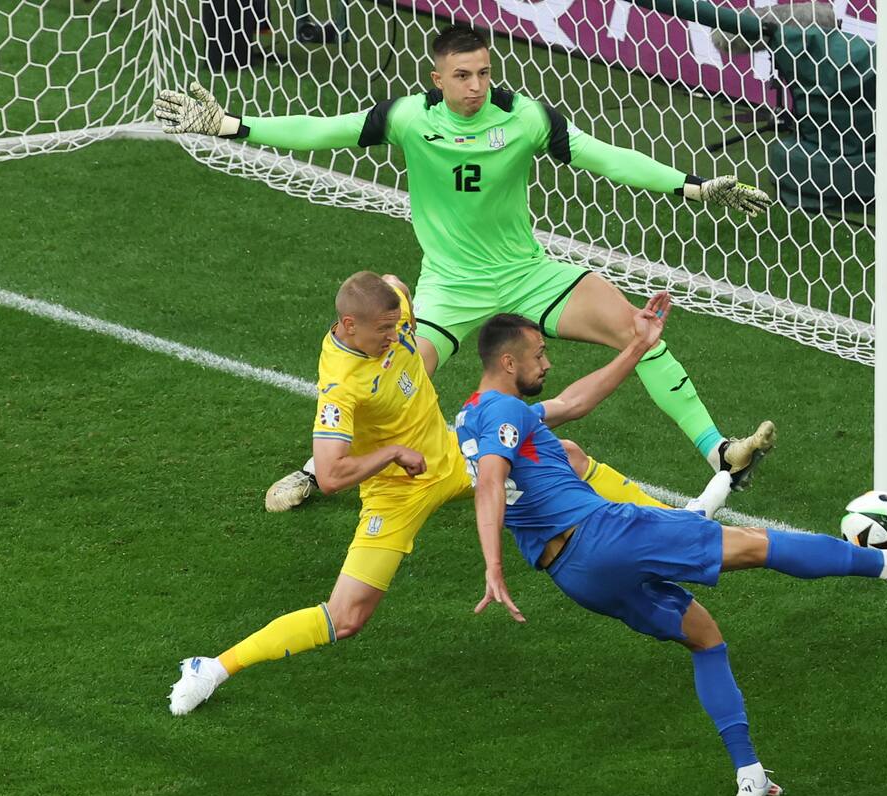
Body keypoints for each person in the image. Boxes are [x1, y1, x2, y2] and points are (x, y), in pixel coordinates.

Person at [154, 22, 778, 512]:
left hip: (530, 274)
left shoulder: (525, 117)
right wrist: (236, 125)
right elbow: (326, 130)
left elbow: (603, 156)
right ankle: (320, 468)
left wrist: (690, 187)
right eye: (462, 75)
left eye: (483, 72)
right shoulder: (407, 119)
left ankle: (721, 451)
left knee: (640, 333)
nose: (476, 85)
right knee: (391, 380)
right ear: (438, 77)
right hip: (451, 289)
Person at [454, 306, 887, 796]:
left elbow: (573, 402)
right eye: (539, 355)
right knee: (757, 544)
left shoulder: (473, 416)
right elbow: (490, 483)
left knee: (705, 639)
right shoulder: (505, 412)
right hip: (604, 534)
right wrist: (492, 566)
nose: (547, 363)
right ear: (508, 362)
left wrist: (639, 347)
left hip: (574, 575)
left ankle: (749, 773)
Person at [168, 271, 685, 715]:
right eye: (383, 330)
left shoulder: (392, 303)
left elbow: (390, 285)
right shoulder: (340, 387)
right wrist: (390, 452)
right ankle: (212, 668)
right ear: (349, 327)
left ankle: (683, 521)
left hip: (454, 454)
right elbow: (329, 475)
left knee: (564, 452)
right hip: (397, 494)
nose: (395, 336)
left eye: (398, 325)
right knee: (345, 617)